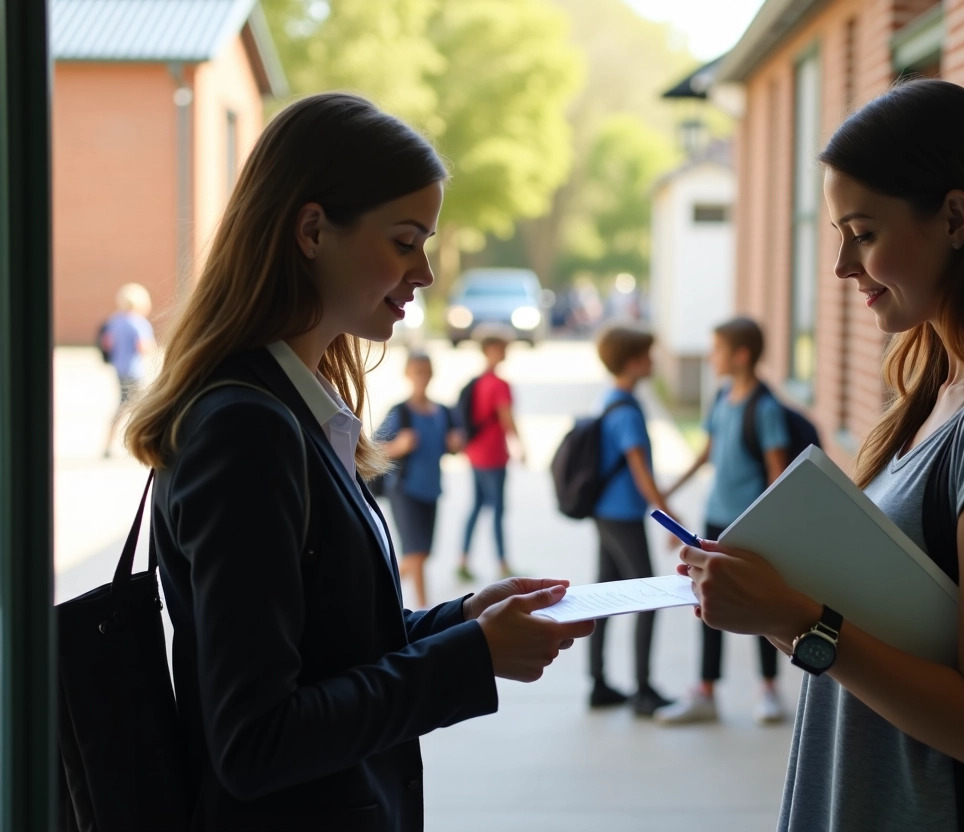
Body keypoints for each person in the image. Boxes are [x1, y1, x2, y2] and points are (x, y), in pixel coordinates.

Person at [678, 78, 964, 830]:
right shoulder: (936, 395)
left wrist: (797, 619)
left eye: (863, 232)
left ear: (956, 218)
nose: (841, 266)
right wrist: (764, 602)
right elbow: (894, 642)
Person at [123, 92, 594, 832]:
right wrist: (469, 657)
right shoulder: (247, 431)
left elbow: (329, 648)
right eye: (406, 241)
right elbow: (255, 741)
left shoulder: (293, 411)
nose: (427, 274)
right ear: (312, 230)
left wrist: (462, 620)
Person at [655, 317, 789, 726]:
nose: (711, 356)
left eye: (717, 349)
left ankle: (768, 688)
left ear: (741, 355)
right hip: (714, 518)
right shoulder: (721, 397)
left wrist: (769, 525)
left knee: (761, 605)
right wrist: (667, 492)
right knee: (706, 602)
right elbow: (706, 453)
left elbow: (777, 473)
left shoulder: (765, 409)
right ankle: (707, 691)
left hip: (748, 526)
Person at [586, 323, 676, 717]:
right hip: (622, 516)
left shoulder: (610, 398)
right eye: (648, 355)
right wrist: (671, 518)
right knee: (649, 599)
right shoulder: (627, 410)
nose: (653, 361)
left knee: (603, 596)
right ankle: (642, 689)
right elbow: (641, 473)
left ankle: (599, 684)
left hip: (607, 513)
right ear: (634, 361)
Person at [375, 350, 463, 607]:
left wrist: (455, 444)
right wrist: (398, 447)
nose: (422, 377)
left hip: (431, 489)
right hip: (404, 490)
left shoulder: (442, 412)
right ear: (407, 374)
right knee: (415, 554)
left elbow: (454, 445)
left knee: (421, 554)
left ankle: (380, 590)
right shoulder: (399, 412)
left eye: (426, 371)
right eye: (417, 372)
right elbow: (372, 449)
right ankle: (422, 608)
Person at [457, 326, 525, 581]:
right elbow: (507, 418)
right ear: (490, 350)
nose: (505, 352)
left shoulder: (477, 381)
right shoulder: (499, 384)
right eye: (501, 348)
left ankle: (463, 560)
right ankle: (503, 564)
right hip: (493, 455)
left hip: (475, 453)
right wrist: (521, 446)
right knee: (497, 508)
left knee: (476, 506)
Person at [100, 282, 156, 457]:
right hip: (134, 371)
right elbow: (144, 347)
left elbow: (107, 344)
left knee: (123, 404)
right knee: (142, 409)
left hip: (119, 369)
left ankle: (109, 443)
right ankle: (140, 444)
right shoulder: (138, 323)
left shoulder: (114, 321)